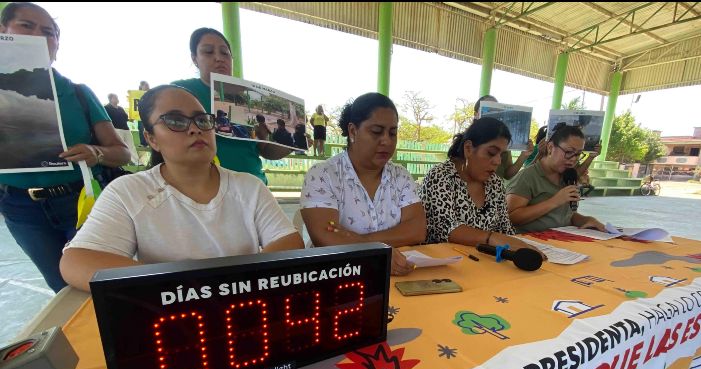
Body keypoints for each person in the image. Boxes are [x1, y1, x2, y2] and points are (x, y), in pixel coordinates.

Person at [60, 85, 304, 292]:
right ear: (152, 138)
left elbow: (289, 242)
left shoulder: (249, 187)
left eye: (202, 120)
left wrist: (231, 288)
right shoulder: (128, 192)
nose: (195, 128)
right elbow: (77, 260)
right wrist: (181, 289)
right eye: (175, 121)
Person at [0, 2, 131, 293]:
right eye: (26, 26)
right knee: (63, 290)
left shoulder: (78, 93)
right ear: (3, 31)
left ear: (57, 44)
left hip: (80, 203)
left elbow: (122, 153)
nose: (38, 35)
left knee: (99, 285)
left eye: (49, 32)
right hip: (19, 208)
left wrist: (95, 153)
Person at [300, 92, 426, 276]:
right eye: (376, 132)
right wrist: (379, 252)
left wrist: (360, 242)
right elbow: (325, 236)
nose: (387, 141)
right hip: (340, 277)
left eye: (393, 133)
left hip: (398, 276)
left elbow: (417, 230)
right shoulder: (323, 175)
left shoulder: (401, 176)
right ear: (352, 131)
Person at [171, 27, 294, 185]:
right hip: (202, 189)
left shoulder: (251, 97)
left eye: (225, 53)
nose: (219, 58)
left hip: (253, 188)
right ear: (194, 58)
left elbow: (266, 150)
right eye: (208, 52)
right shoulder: (180, 92)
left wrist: (292, 143)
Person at [419, 117, 542, 256]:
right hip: (443, 264)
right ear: (468, 149)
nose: (497, 161)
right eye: (491, 153)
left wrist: (521, 245)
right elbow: (446, 229)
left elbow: (505, 229)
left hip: (486, 264)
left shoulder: (494, 183)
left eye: (501, 154)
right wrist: (492, 238)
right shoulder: (440, 176)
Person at [506, 124, 606, 234]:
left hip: (560, 241)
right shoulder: (528, 177)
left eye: (578, 154)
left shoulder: (568, 176)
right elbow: (511, 218)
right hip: (530, 244)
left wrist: (586, 220)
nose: (573, 159)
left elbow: (566, 215)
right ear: (550, 148)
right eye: (568, 152)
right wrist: (554, 201)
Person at [473, 95, 534, 181]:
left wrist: (523, 156)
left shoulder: (502, 141)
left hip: (495, 191)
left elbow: (508, 174)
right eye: (488, 109)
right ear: (476, 114)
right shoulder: (468, 140)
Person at [105, 93, 140, 164]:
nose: (117, 99)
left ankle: (136, 162)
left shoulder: (120, 108)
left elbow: (126, 117)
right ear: (110, 99)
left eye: (117, 97)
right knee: (120, 146)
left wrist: (131, 119)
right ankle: (121, 162)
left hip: (126, 129)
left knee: (131, 145)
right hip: (116, 129)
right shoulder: (106, 108)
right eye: (115, 98)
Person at [137, 81, 150, 147]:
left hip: (149, 115)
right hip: (139, 115)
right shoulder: (136, 94)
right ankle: (143, 143)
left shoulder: (151, 93)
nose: (147, 86)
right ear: (141, 87)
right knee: (141, 129)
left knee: (149, 129)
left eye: (148, 85)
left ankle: (149, 143)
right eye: (146, 85)